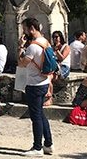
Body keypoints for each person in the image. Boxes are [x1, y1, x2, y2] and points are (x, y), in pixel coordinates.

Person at [17, 17, 54, 156]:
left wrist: (20, 46)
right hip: (44, 82)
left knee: (36, 117)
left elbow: (21, 63)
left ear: (32, 28)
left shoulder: (32, 47)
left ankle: (37, 147)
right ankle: (48, 144)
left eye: (25, 28)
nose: (24, 32)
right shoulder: (45, 42)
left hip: (34, 84)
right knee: (40, 113)